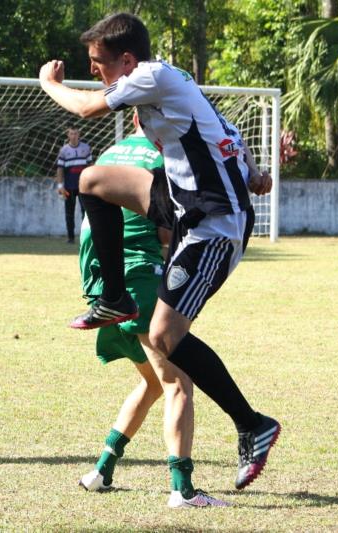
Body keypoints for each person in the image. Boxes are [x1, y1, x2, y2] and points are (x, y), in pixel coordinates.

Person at [39, 12, 280, 496]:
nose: (98, 75)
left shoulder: (151, 75)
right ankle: (115, 298)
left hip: (214, 224)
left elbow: (85, 108)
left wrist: (49, 83)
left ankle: (253, 424)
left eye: (100, 65)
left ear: (127, 61)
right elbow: (226, 129)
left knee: (165, 338)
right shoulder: (166, 83)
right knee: (92, 181)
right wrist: (252, 171)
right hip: (183, 202)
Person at [78, 125, 229, 508]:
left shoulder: (112, 153)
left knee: (154, 382)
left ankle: (101, 470)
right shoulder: (169, 157)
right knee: (179, 383)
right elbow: (165, 234)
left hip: (103, 284)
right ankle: (183, 491)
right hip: (141, 278)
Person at [55, 127, 92, 243]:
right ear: (68, 135)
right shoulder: (64, 150)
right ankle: (70, 238)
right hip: (69, 187)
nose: (74, 136)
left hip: (83, 187)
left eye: (76, 133)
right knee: (69, 213)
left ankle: (85, 237)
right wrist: (60, 186)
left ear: (79, 134)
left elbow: (90, 166)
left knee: (86, 213)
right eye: (71, 133)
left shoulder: (86, 148)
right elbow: (60, 169)